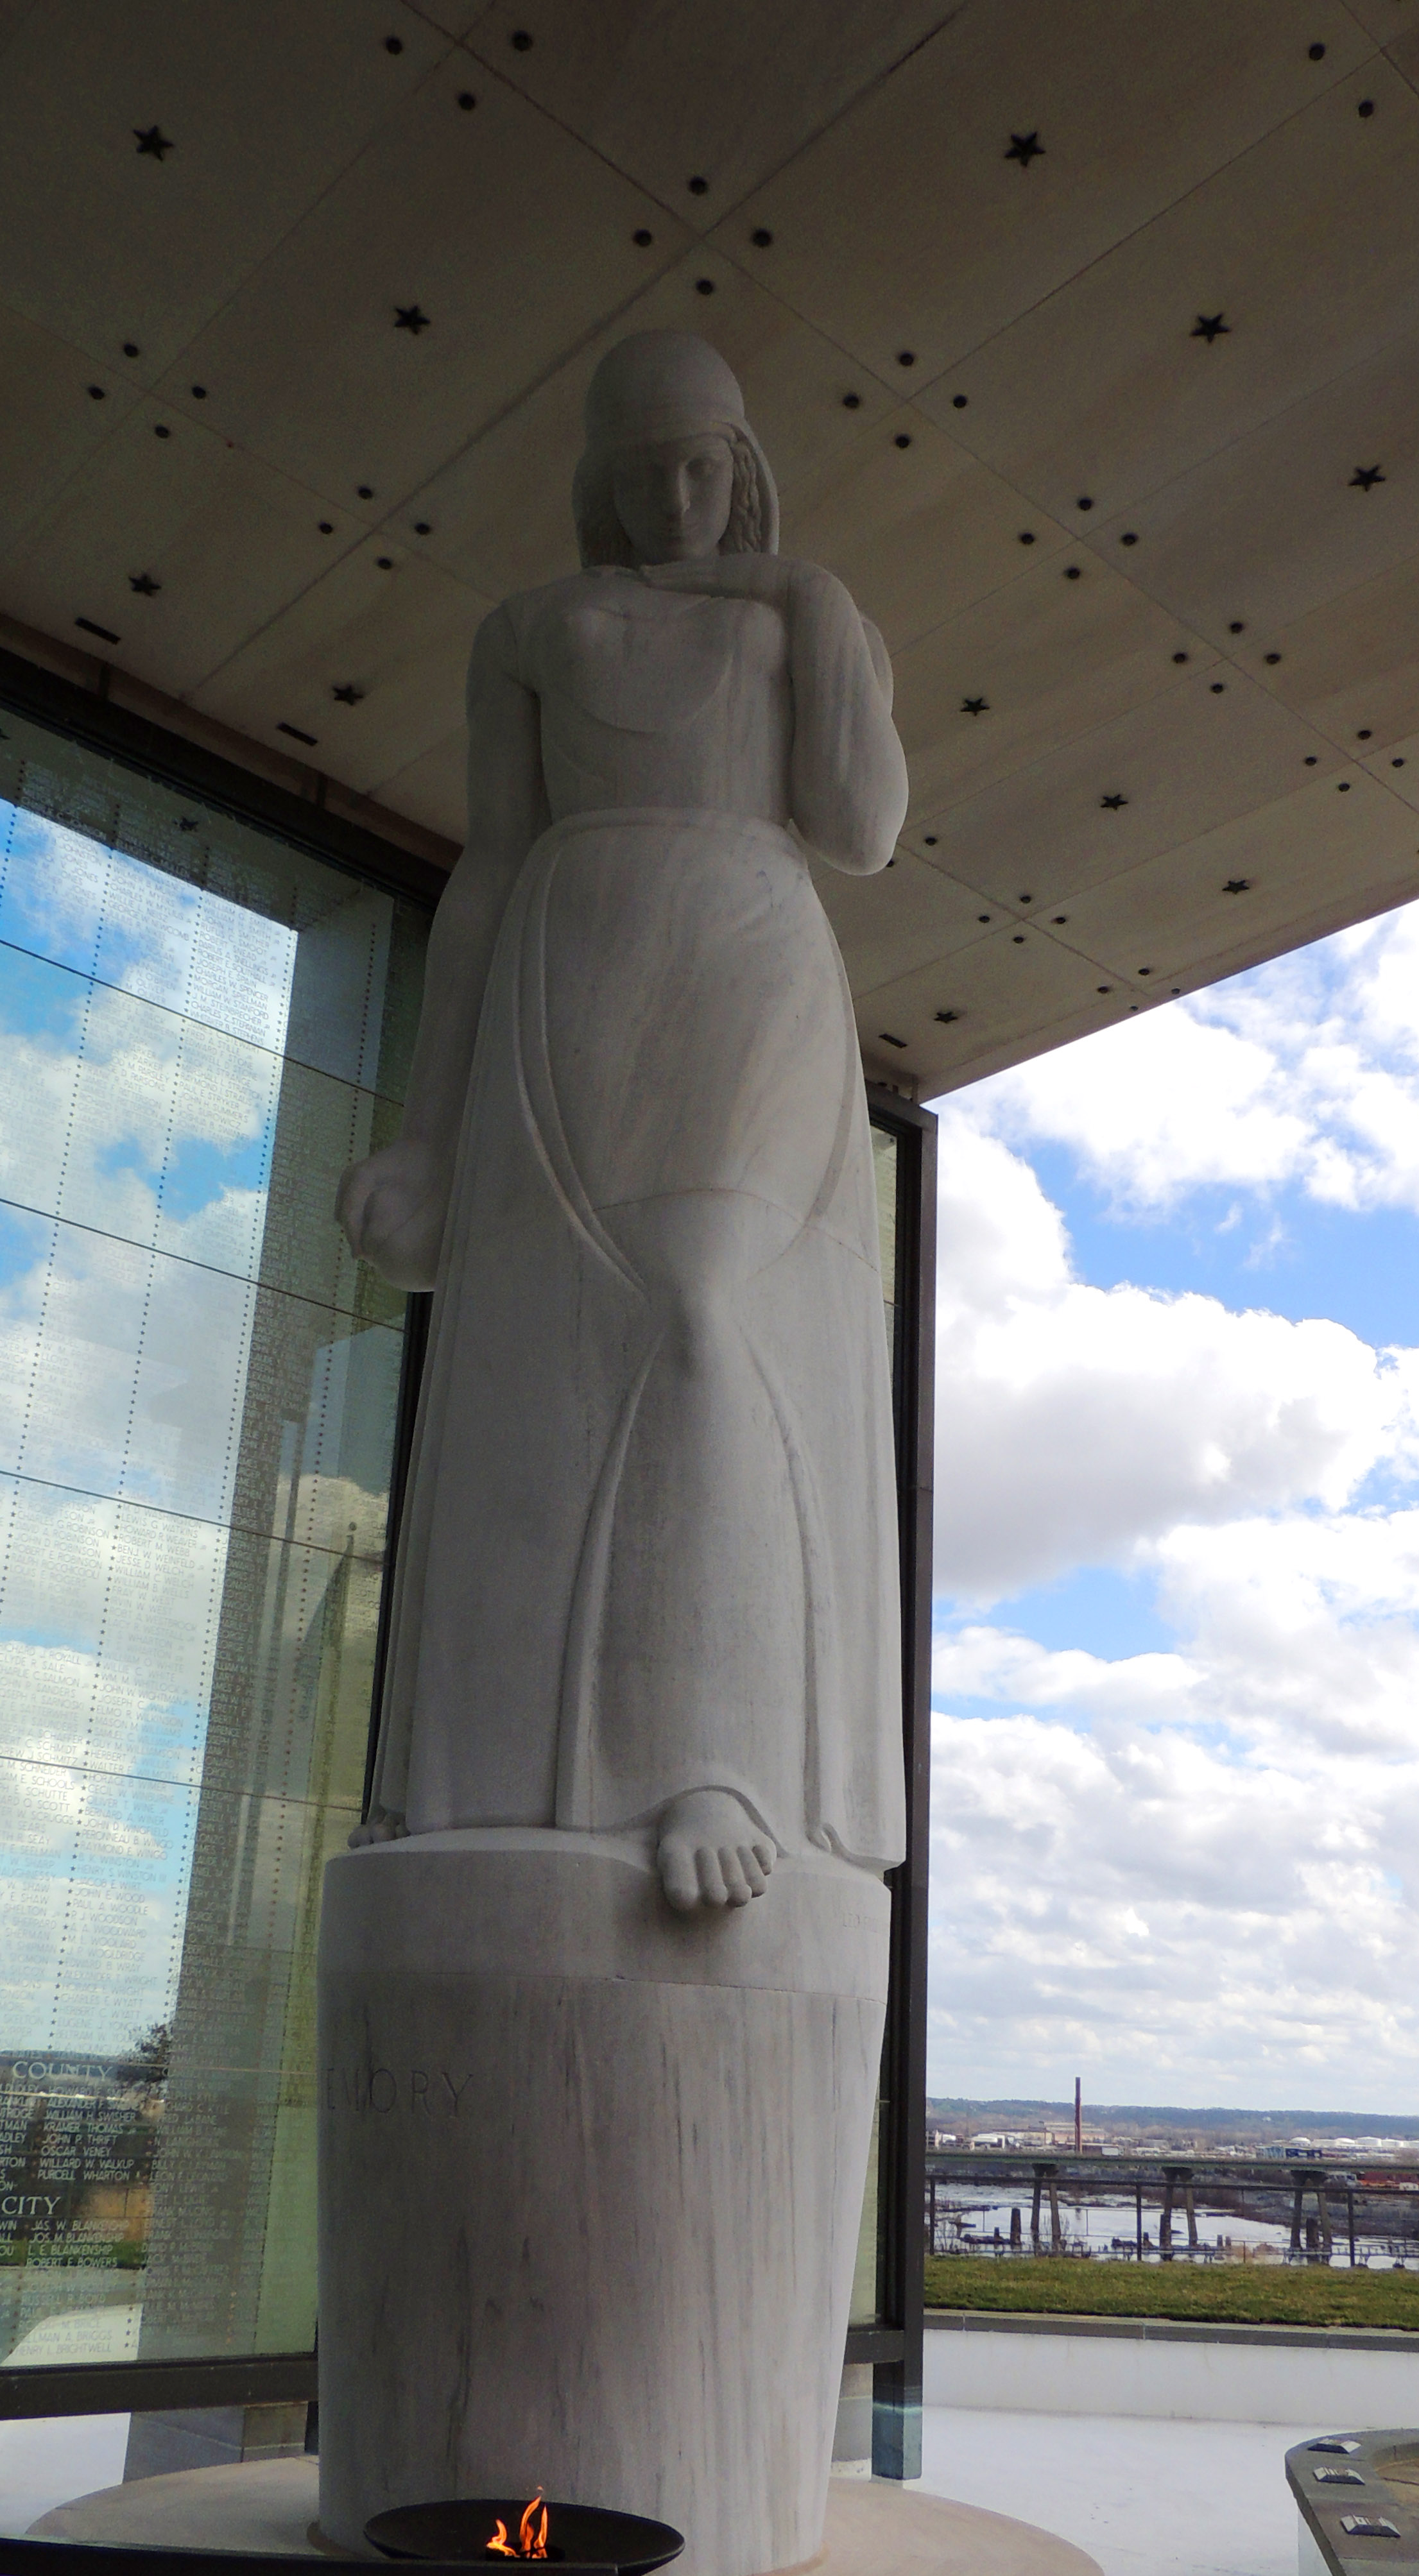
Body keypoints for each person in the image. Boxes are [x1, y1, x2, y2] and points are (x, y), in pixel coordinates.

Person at [338, 330, 907, 1914]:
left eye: (705, 465)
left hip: (751, 957)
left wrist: (810, 601)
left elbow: (862, 828)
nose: (676, 496)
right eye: (644, 468)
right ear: (599, 475)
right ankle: (486, 1771)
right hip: (572, 963)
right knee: (545, 1347)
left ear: (745, 468)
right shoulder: (531, 630)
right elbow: (488, 868)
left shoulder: (801, 616)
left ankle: (716, 1757)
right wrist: (427, 1132)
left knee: (705, 1302)